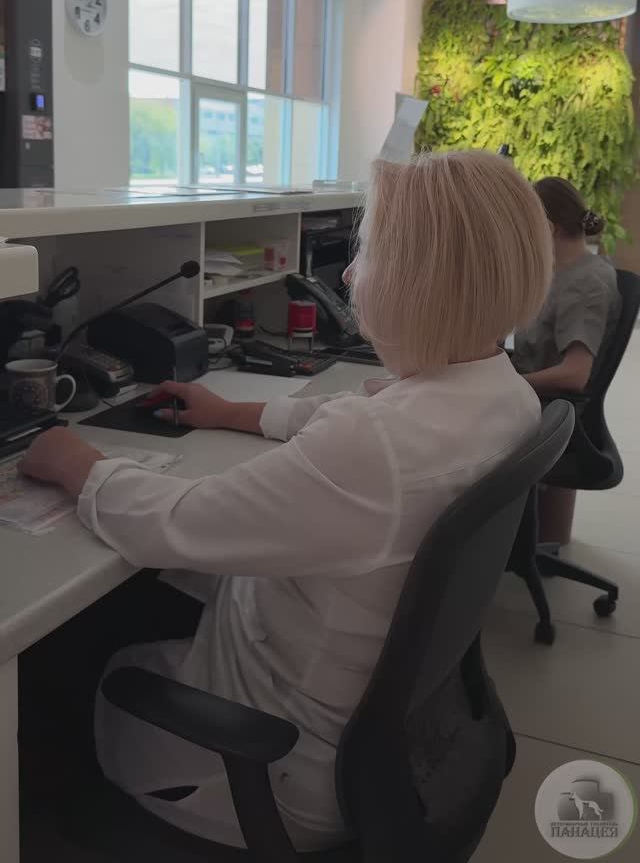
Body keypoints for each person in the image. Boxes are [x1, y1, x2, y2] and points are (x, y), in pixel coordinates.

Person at [21, 151, 552, 851]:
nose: (351, 275)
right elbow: (357, 414)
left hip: (272, 766)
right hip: (371, 731)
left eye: (367, 252)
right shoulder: (504, 392)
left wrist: (73, 461)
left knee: (54, 642)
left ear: (420, 282)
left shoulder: (375, 448)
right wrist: (231, 413)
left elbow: (173, 524)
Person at [512, 177, 621, 396]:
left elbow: (575, 374)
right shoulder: (560, 273)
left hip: (541, 405)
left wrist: (508, 386)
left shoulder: (587, 283)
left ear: (549, 228)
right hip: (524, 394)